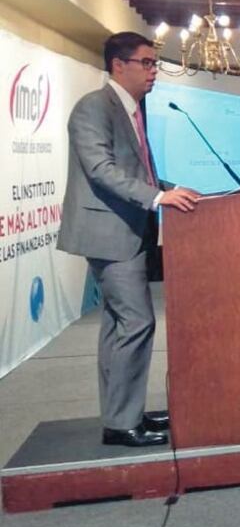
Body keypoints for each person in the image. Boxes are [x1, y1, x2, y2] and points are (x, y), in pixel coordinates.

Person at [57, 32, 200, 448]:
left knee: (118, 324)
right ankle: (122, 423)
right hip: (109, 233)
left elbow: (137, 170)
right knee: (137, 322)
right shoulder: (93, 107)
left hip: (130, 230)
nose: (154, 71)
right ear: (119, 65)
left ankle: (123, 414)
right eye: (147, 63)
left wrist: (171, 189)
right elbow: (101, 169)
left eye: (155, 64)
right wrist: (157, 197)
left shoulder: (132, 109)